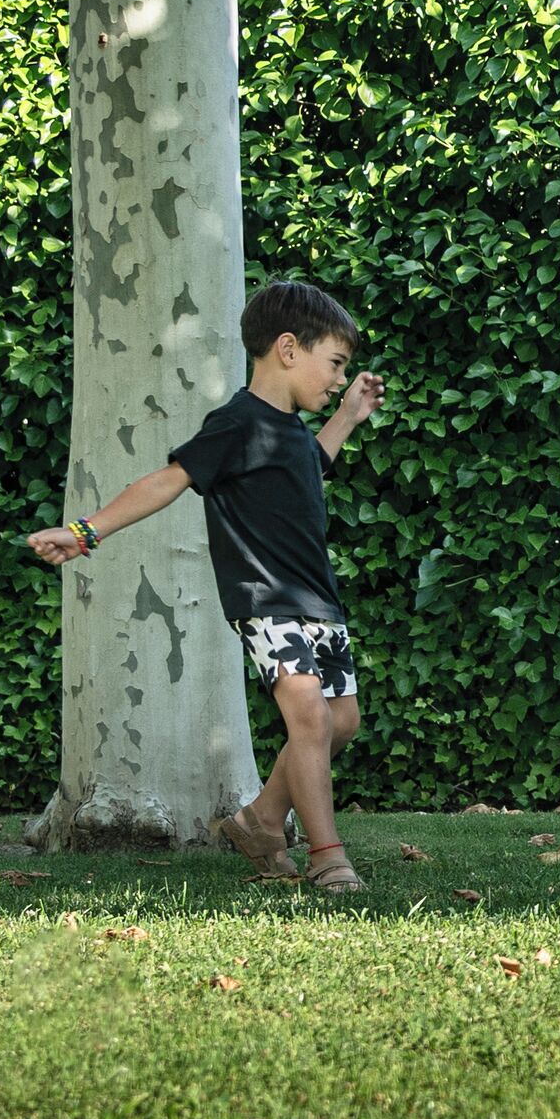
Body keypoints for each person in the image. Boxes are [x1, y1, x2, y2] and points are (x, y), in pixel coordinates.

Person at [27, 282, 386, 890]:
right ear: (289, 348)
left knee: (341, 720)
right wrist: (85, 532)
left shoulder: (293, 429)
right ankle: (328, 855)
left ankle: (261, 818)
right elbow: (167, 481)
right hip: (265, 597)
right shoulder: (236, 423)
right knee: (310, 720)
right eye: (336, 364)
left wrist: (348, 416)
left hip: (316, 598)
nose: (336, 379)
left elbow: (310, 467)